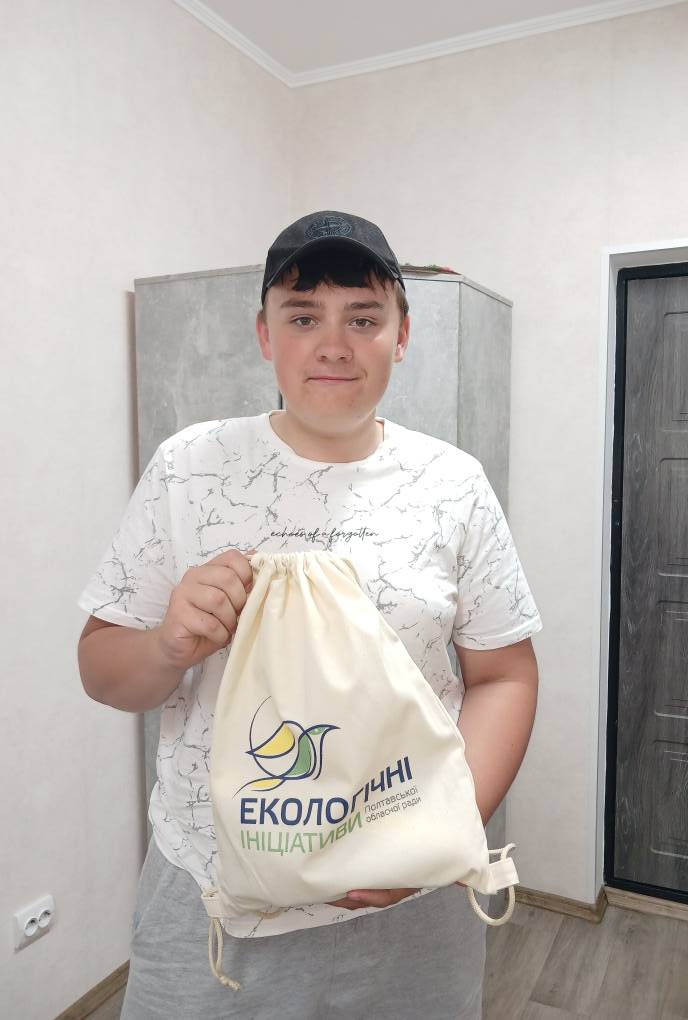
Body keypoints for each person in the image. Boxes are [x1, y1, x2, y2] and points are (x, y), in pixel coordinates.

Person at [77, 210, 542, 1019]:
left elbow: (504, 675)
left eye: (363, 318)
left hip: (409, 915)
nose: (333, 345)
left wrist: (435, 831)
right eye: (303, 317)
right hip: (213, 907)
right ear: (265, 335)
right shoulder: (189, 469)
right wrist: (167, 645)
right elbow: (102, 669)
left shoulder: (453, 485)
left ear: (401, 335)